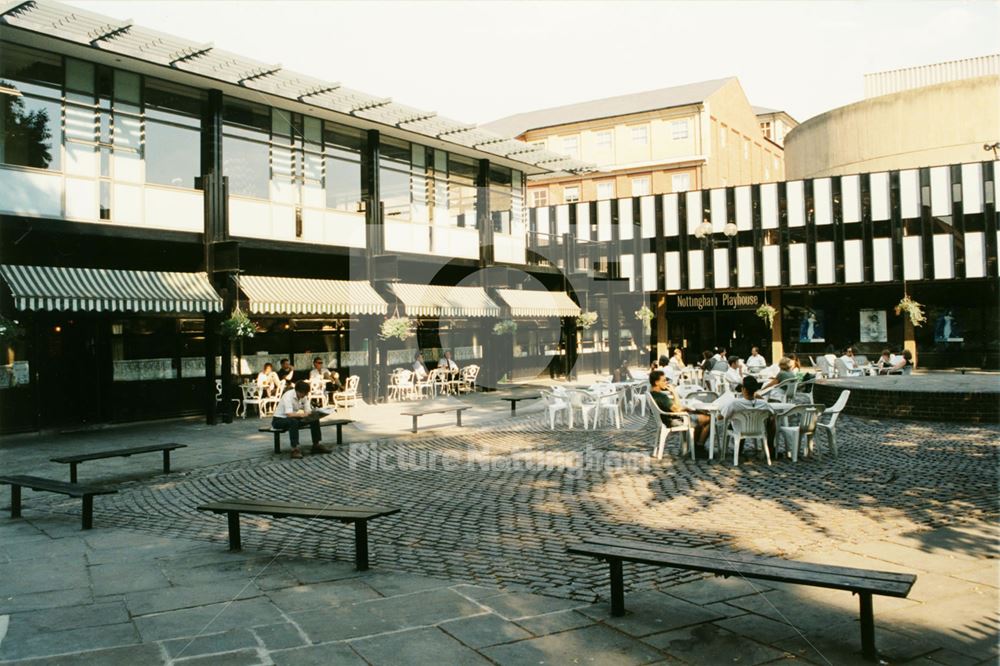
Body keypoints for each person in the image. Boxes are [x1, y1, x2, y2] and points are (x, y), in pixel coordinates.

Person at [649, 370, 710, 458]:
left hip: (667, 418)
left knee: (697, 413)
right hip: (675, 420)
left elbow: (675, 408)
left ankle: (695, 446)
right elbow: (677, 409)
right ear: (656, 382)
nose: (666, 382)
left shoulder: (653, 394)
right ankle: (699, 447)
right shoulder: (661, 397)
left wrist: (686, 409)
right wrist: (674, 392)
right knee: (709, 418)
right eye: (664, 380)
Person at [272, 380, 331, 459]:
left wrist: (315, 413)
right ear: (297, 391)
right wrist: (302, 415)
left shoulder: (304, 396)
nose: (304, 395)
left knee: (314, 419)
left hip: (292, 418)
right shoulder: (288, 396)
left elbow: (308, 411)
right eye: (303, 393)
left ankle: (316, 445)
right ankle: (294, 449)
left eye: (306, 393)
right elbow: (289, 414)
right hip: (279, 420)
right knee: (293, 422)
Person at [720, 375, 776, 458]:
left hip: (739, 429)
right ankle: (770, 448)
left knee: (736, 422)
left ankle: (738, 450)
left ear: (743, 389)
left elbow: (721, 417)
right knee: (771, 421)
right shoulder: (764, 404)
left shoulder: (734, 403)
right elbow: (772, 414)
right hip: (758, 428)